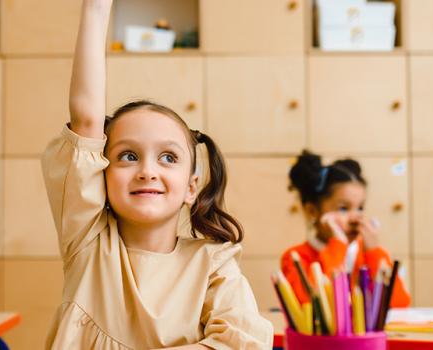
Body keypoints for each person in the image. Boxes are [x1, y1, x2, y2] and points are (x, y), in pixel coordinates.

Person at [40, 0, 274, 349]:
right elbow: (87, 118)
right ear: (100, 176)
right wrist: (95, 9)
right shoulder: (87, 239)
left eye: (167, 157)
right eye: (128, 156)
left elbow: (241, 343)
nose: (147, 171)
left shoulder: (213, 264)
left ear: (191, 186)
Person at [281, 150, 411, 307]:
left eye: (360, 208)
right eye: (343, 208)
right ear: (312, 211)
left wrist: (374, 253)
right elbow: (314, 306)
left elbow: (399, 306)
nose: (356, 218)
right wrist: (337, 246)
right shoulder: (295, 258)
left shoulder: (368, 254)